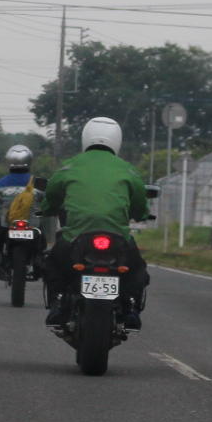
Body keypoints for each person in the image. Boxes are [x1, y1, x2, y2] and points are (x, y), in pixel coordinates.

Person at [41, 116, 151, 328]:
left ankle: (57, 305)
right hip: (118, 239)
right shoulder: (128, 170)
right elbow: (140, 205)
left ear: (85, 139)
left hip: (75, 237)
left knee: (53, 264)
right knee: (137, 268)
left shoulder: (68, 167)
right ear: (117, 141)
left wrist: (48, 209)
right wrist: (142, 214)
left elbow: (51, 197)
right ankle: (130, 308)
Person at [0, 144, 46, 279]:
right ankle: (38, 258)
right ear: (29, 160)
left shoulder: (1, 182)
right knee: (41, 236)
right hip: (32, 224)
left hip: (7, 223)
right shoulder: (37, 182)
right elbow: (47, 197)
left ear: (10, 161)